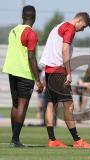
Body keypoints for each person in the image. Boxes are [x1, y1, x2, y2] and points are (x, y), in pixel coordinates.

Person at [39, 12, 90, 148]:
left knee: (51, 104)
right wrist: (68, 73)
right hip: (58, 71)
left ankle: (52, 140)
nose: (82, 30)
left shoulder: (58, 26)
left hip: (49, 70)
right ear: (79, 20)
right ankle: (77, 140)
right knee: (69, 105)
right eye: (83, 26)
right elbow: (65, 50)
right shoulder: (69, 28)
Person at [2, 5, 43, 147]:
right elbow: (31, 56)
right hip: (24, 73)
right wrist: (38, 80)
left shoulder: (13, 30)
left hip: (11, 71)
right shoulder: (31, 33)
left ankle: (14, 139)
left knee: (15, 105)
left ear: (22, 16)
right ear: (34, 17)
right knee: (22, 106)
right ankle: (15, 140)